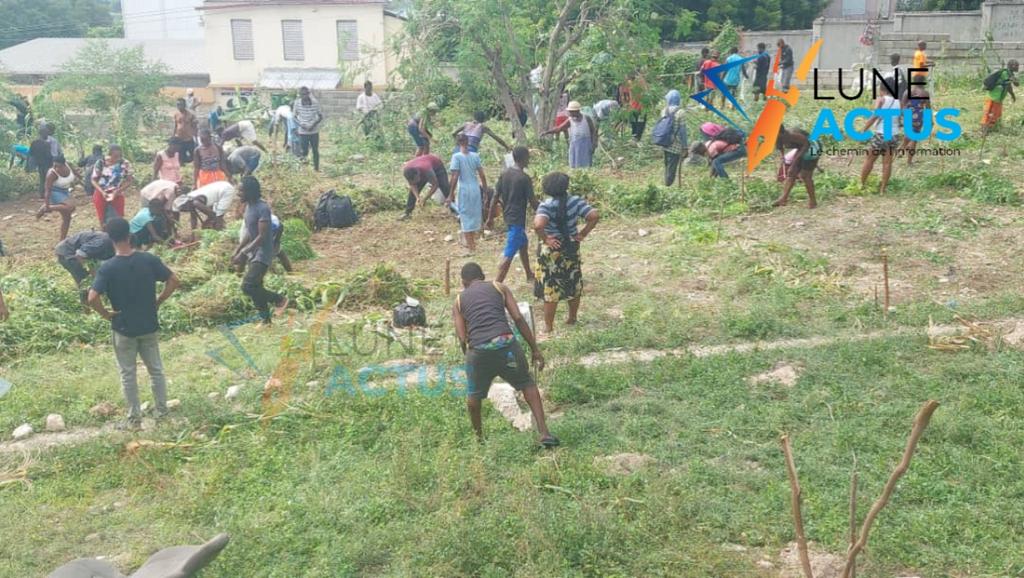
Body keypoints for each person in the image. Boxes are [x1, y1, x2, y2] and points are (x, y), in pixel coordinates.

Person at [87, 217, 180, 430]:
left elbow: (92, 298)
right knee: (156, 370)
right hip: (148, 323)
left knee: (128, 373)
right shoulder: (148, 259)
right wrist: (159, 301)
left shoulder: (107, 268)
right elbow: (174, 280)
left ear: (109, 238)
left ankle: (134, 419)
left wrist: (107, 314)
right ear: (129, 235)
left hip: (123, 327)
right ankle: (162, 412)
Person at [453, 262, 558, 447]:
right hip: (507, 346)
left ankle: (479, 440)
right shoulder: (499, 287)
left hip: (479, 352)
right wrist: (534, 349)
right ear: (483, 276)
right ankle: (544, 432)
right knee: (527, 384)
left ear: (463, 282)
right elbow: (518, 318)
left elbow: (462, 337)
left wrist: (470, 361)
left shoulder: (459, 301)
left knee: (473, 397)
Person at [532, 172, 599, 337]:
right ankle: (572, 318)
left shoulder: (546, 205)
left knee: (551, 289)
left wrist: (546, 239)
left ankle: (548, 326)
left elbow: (538, 225)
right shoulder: (575, 201)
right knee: (573, 283)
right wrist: (582, 233)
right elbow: (593, 216)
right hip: (571, 246)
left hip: (552, 251)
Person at [232, 177, 288, 324]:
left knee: (248, 286)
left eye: (241, 190)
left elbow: (262, 237)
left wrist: (244, 253)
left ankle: (280, 300)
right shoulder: (249, 207)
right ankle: (266, 321)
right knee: (257, 286)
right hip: (254, 252)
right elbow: (250, 233)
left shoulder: (262, 208)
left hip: (263, 253)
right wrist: (238, 249)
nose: (239, 193)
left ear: (250, 192)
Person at [487, 146, 537, 283]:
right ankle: (496, 285)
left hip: (508, 216)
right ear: (525, 158)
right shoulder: (524, 178)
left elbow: (495, 197)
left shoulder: (505, 174)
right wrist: (544, 213)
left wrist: (490, 217)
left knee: (523, 245)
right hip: (517, 219)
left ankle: (529, 274)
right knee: (508, 255)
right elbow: (533, 201)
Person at [447, 133, 487, 254]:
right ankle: (471, 243)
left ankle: (471, 248)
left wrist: (450, 194)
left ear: (458, 143)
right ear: (468, 141)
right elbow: (482, 175)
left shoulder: (456, 157)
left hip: (463, 189)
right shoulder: (475, 156)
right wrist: (485, 190)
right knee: (474, 215)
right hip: (475, 189)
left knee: (465, 217)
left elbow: (455, 177)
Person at [860, 79, 901, 195]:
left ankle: (862, 184)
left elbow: (874, 116)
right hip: (893, 135)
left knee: (869, 160)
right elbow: (899, 119)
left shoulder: (881, 100)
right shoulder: (898, 102)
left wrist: (864, 129)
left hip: (881, 134)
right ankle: (883, 189)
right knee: (887, 163)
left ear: (882, 88)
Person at [54, 230, 114, 302]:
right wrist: (93, 273)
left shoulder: (113, 246)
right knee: (85, 282)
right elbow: (80, 255)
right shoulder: (103, 242)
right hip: (68, 253)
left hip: (81, 254)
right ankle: (86, 309)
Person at [772, 125, 819, 209]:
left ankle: (813, 201)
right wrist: (783, 158)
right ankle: (783, 199)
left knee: (805, 175)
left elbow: (806, 145)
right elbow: (781, 148)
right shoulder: (777, 137)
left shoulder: (792, 135)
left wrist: (793, 164)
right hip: (800, 149)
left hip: (812, 147)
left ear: (781, 133)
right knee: (791, 174)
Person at [543, 101, 597, 169]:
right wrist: (547, 132)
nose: (570, 113)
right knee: (575, 164)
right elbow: (559, 129)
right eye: (569, 111)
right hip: (574, 144)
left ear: (577, 111)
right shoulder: (570, 120)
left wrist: (594, 143)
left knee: (586, 164)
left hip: (585, 144)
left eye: (571, 111)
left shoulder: (586, 118)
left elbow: (593, 131)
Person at [37, 154, 79, 240]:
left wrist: (82, 180)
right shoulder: (52, 173)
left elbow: (75, 173)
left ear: (64, 165)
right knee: (70, 206)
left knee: (67, 218)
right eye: (54, 165)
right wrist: (47, 203)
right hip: (54, 191)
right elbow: (47, 190)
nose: (56, 168)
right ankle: (47, 207)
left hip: (65, 191)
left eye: (58, 166)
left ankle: (62, 240)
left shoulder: (69, 165)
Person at [400, 153, 453, 220]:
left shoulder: (427, 170)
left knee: (446, 189)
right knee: (412, 193)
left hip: (437, 166)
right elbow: (412, 185)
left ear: (418, 174)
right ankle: (407, 213)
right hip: (423, 166)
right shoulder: (407, 171)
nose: (415, 183)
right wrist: (418, 198)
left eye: (416, 180)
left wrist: (425, 199)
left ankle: (455, 211)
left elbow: (435, 185)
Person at [91, 145, 132, 226]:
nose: (118, 158)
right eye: (115, 156)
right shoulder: (101, 162)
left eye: (120, 156)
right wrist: (102, 192)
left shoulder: (125, 163)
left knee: (119, 218)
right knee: (102, 220)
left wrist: (118, 191)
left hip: (117, 192)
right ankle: (104, 235)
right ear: (109, 155)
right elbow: (93, 180)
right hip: (101, 192)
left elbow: (129, 180)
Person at [657, 90, 688, 187]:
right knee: (672, 166)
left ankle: (666, 183)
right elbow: (682, 131)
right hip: (676, 144)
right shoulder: (681, 112)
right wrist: (685, 146)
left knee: (667, 164)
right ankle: (668, 186)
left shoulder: (664, 110)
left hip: (665, 141)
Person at [981, 60, 1018, 135]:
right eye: (1016, 65)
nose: (1018, 67)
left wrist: (1012, 94)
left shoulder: (1010, 74)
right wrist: (1012, 94)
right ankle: (984, 131)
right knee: (988, 114)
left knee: (996, 114)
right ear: (1011, 66)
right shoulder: (1005, 73)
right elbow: (1010, 85)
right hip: (993, 97)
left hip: (998, 98)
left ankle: (991, 129)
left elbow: (1010, 85)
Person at [902, 74, 932, 164]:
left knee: (908, 134)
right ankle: (909, 160)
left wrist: (904, 114)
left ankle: (902, 148)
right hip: (919, 116)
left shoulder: (908, 91)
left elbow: (903, 104)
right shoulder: (925, 93)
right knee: (914, 139)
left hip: (908, 114)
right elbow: (928, 108)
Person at [293, 86, 324, 171]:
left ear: (309, 94)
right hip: (303, 131)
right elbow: (294, 117)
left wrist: (313, 124)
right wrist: (301, 124)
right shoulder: (297, 103)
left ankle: (316, 169)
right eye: (303, 95)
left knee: (315, 150)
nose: (305, 96)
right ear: (300, 95)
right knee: (304, 151)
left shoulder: (315, 103)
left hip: (314, 131)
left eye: (306, 94)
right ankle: (304, 170)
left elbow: (320, 116)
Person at [29, 126, 56, 199]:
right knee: (49, 180)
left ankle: (41, 194)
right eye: (47, 134)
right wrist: (53, 163)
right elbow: (49, 155)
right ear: (43, 134)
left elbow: (31, 154)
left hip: (39, 164)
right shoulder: (46, 144)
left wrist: (32, 165)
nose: (47, 135)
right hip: (47, 164)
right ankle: (48, 194)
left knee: (42, 179)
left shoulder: (34, 143)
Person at [171, 98, 198, 164]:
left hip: (189, 139)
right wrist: (173, 136)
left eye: (181, 104)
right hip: (179, 139)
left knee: (193, 156)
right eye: (177, 104)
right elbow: (175, 126)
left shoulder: (191, 115)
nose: (179, 106)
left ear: (184, 105)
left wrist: (196, 138)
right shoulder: (176, 114)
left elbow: (195, 127)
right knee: (181, 158)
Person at [625, 73, 648, 141]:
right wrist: (642, 79)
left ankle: (634, 137)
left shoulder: (630, 84)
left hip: (633, 107)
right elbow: (646, 90)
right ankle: (636, 139)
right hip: (640, 108)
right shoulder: (638, 84)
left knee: (634, 124)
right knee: (640, 124)